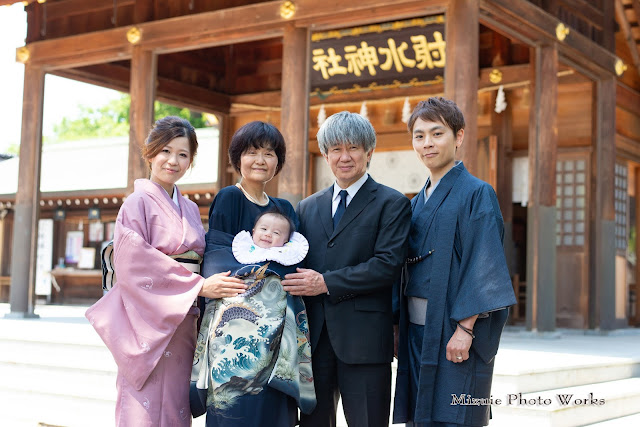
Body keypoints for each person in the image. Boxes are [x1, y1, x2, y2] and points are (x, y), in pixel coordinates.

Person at [85, 116, 245, 426]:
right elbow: (134, 263)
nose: (173, 161)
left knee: (174, 404)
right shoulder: (136, 203)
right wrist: (197, 286)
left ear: (191, 161)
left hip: (183, 319)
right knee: (143, 406)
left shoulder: (187, 207)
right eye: (165, 151)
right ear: (150, 153)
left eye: (183, 154)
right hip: (147, 321)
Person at [392, 97, 517, 427]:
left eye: (437, 133)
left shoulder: (477, 193)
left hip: (455, 329)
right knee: (423, 417)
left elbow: (484, 262)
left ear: (458, 136)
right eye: (419, 136)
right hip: (418, 331)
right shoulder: (417, 201)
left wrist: (465, 328)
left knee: (457, 415)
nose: (427, 143)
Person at [282, 111, 411, 427]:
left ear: (369, 152)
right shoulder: (307, 207)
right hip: (314, 341)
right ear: (325, 155)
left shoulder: (392, 204)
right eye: (335, 149)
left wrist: (325, 283)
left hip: (365, 341)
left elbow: (386, 266)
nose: (344, 157)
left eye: (353, 148)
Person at [193, 121, 310, 427]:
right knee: (238, 408)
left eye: (269, 153)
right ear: (238, 158)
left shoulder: (284, 207)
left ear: (278, 162)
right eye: (252, 151)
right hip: (238, 330)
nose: (260, 159)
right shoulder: (229, 198)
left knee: (274, 410)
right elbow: (220, 260)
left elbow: (294, 261)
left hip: (278, 331)